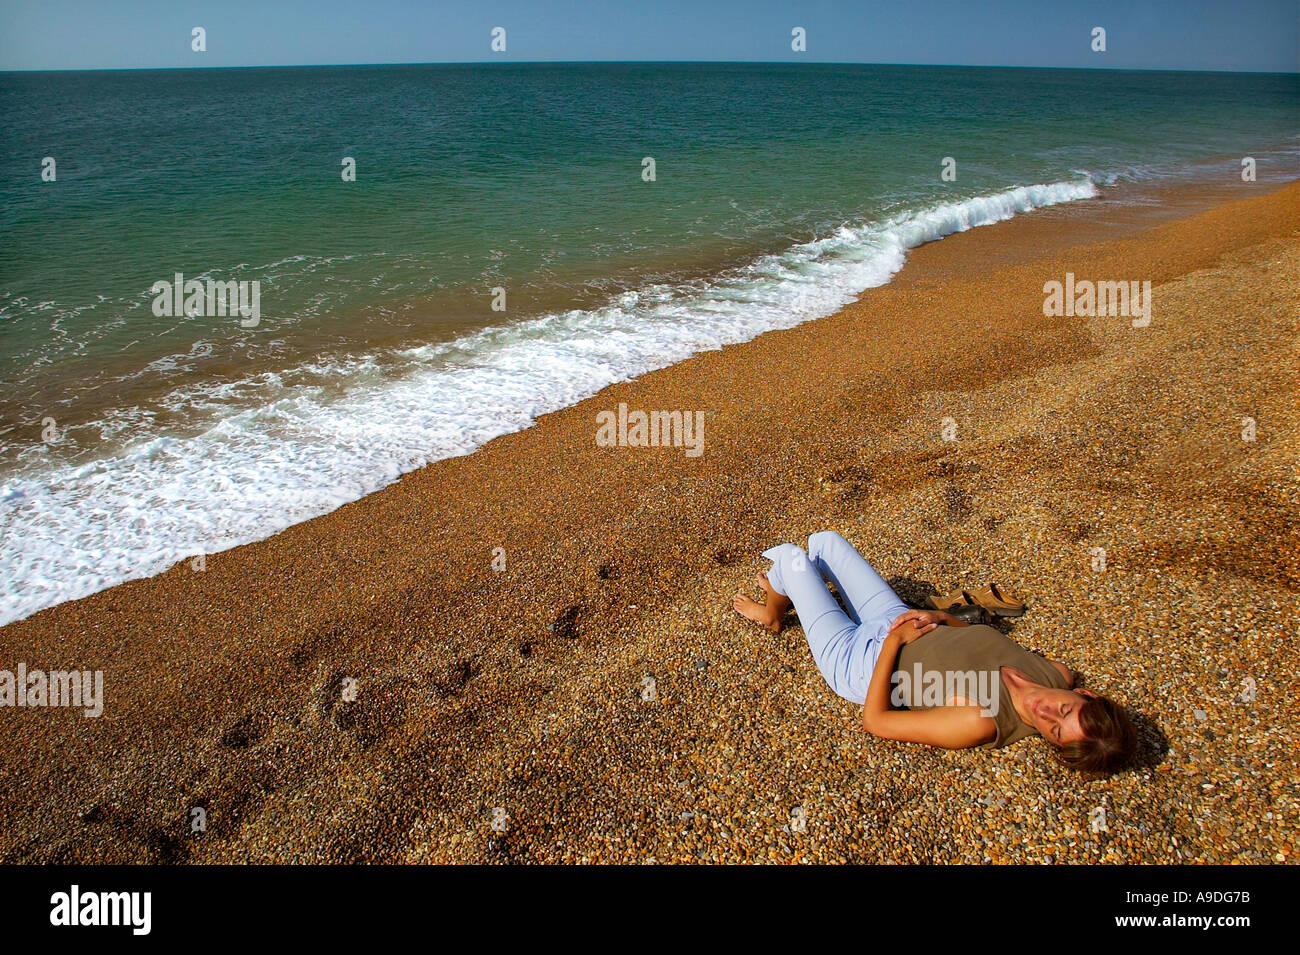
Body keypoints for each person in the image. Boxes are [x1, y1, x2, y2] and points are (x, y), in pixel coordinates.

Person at [732, 531, 1135, 774]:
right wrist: (941, 617)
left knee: (793, 559)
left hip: (859, 662)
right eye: (1064, 711)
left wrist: (893, 644)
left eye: (1054, 731)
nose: (1045, 713)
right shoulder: (1056, 672)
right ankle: (788, 592)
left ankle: (772, 613)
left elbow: (875, 721)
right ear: (1085, 695)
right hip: (902, 619)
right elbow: (979, 640)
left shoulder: (980, 722)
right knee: (825, 542)